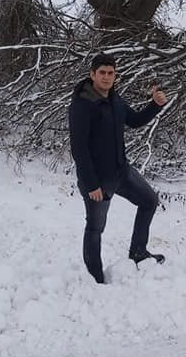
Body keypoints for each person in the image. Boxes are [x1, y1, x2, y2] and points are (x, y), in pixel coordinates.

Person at [68, 52, 167, 284]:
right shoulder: (82, 105)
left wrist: (155, 105)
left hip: (121, 172)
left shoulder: (115, 99)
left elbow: (134, 121)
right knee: (95, 227)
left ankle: (138, 252)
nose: (106, 77)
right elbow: (79, 149)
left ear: (115, 76)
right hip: (98, 181)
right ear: (92, 74)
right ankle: (95, 277)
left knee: (149, 201)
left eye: (110, 73)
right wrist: (91, 184)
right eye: (101, 73)